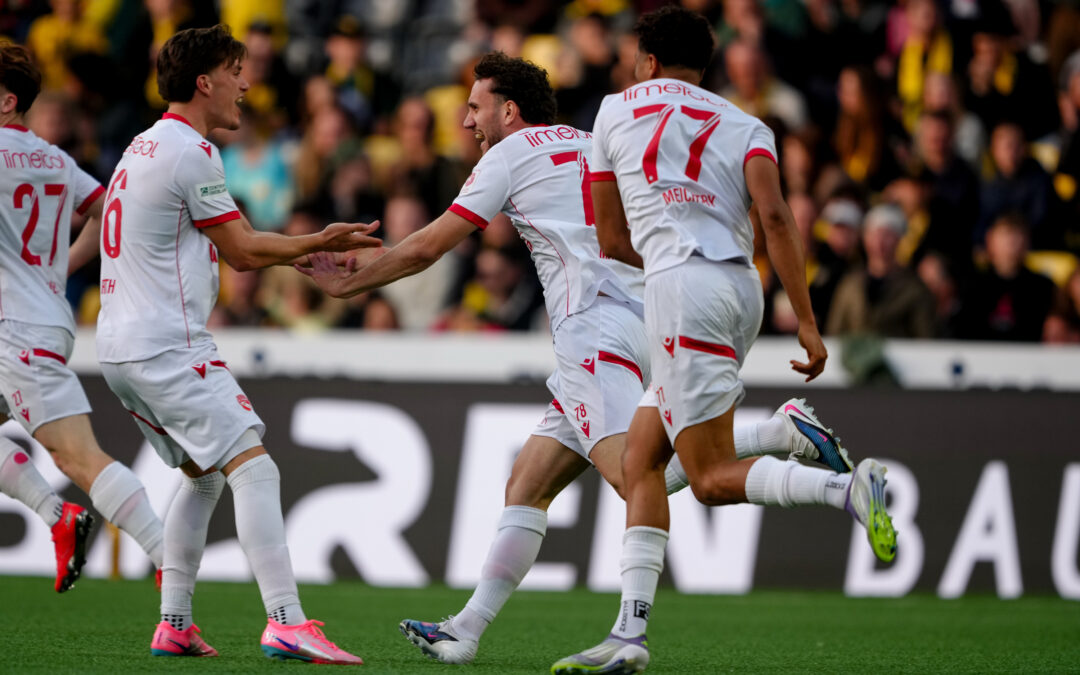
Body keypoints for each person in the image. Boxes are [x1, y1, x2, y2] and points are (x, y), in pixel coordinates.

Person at [300, 51, 853, 667]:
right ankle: (465, 629)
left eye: (476, 107)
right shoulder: (592, 140)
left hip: (592, 330)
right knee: (528, 482)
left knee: (637, 475)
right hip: (649, 317)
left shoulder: (510, 153)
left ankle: (785, 441)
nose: (467, 120)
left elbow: (429, 246)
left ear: (510, 111)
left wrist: (349, 285)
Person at [551, 9, 897, 673]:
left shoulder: (614, 111)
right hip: (742, 291)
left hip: (680, 291)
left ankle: (848, 489)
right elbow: (776, 219)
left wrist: (664, 263)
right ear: (705, 67)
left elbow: (610, 237)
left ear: (649, 61)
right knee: (643, 462)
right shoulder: (747, 125)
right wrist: (807, 320)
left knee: (708, 478)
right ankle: (627, 633)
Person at [95, 25, 378, 663]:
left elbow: (234, 237)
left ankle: (174, 623)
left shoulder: (144, 144)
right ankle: (286, 621)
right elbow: (244, 252)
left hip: (119, 348)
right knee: (255, 467)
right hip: (167, 344)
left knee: (201, 477)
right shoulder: (192, 151)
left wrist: (295, 253)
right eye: (234, 72)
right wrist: (319, 240)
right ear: (205, 82)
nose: (245, 85)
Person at [0, 43, 165, 593]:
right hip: (46, 317)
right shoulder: (54, 159)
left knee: (80, 459)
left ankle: (173, 563)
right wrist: (59, 268)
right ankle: (57, 516)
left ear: (8, 100)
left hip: (16, 330)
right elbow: (105, 209)